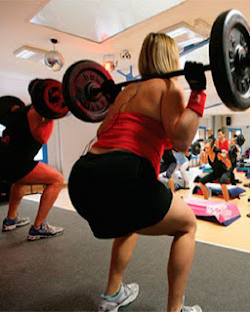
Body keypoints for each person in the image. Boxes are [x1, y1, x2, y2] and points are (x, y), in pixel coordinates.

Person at [67, 33, 204, 312]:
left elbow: (101, 132)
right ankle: (175, 309)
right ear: (171, 57)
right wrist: (198, 93)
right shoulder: (169, 87)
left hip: (82, 177)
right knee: (187, 225)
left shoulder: (126, 92)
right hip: (126, 174)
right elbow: (182, 141)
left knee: (128, 222)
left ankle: (112, 294)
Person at [0, 90, 64, 241]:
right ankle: (39, 228)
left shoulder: (14, 121)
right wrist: (52, 116)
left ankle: (11, 220)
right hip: (11, 161)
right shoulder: (32, 112)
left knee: (19, 181)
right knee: (57, 179)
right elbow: (42, 138)